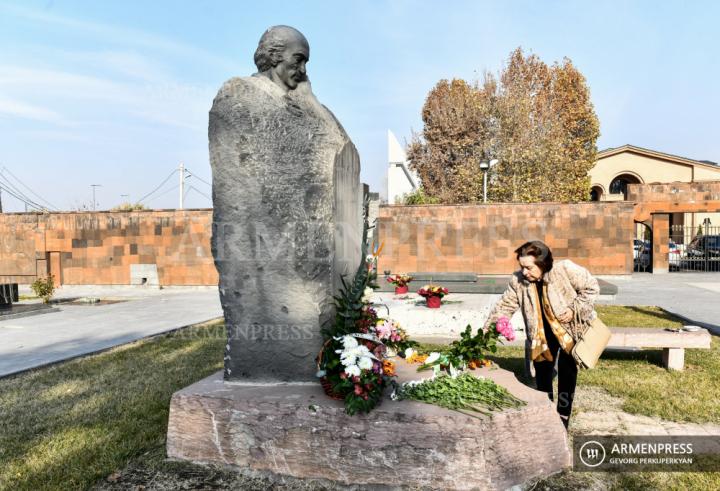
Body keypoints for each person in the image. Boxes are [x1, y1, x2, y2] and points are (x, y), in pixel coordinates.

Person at [484, 240, 600, 429]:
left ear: (542, 263)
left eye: (528, 267)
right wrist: (487, 331)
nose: (524, 272)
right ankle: (546, 415)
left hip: (569, 333)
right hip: (540, 337)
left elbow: (591, 288)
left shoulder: (565, 270)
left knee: (567, 372)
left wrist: (574, 309)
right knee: (543, 375)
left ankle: (563, 416)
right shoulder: (518, 281)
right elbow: (505, 305)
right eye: (522, 267)